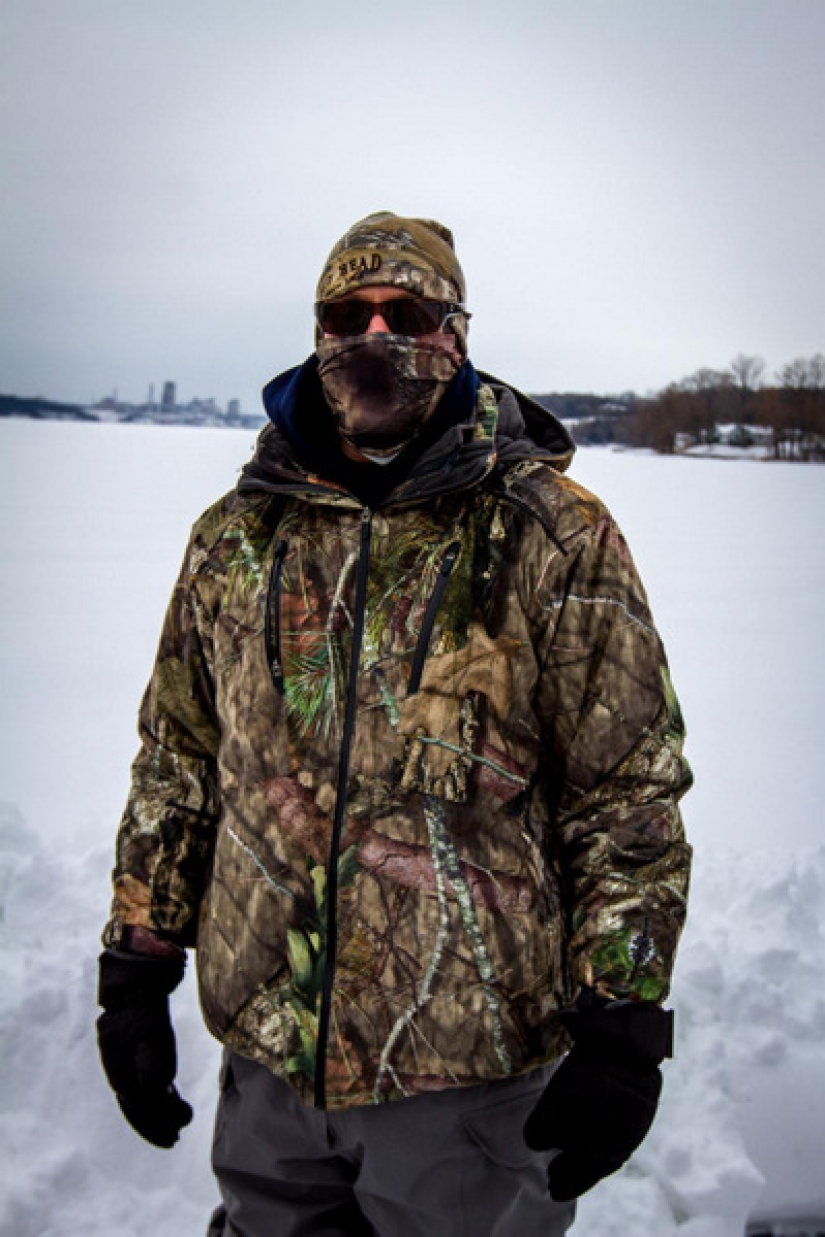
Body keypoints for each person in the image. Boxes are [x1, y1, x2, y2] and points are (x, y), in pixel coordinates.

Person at [97, 211, 692, 1236]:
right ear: (317, 334)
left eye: (404, 312)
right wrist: (137, 964)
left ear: (455, 333)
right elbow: (180, 760)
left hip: (469, 1077)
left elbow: (625, 790)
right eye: (346, 313)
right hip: (272, 1065)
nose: (374, 335)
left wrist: (624, 1021)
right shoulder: (237, 536)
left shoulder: (553, 533)